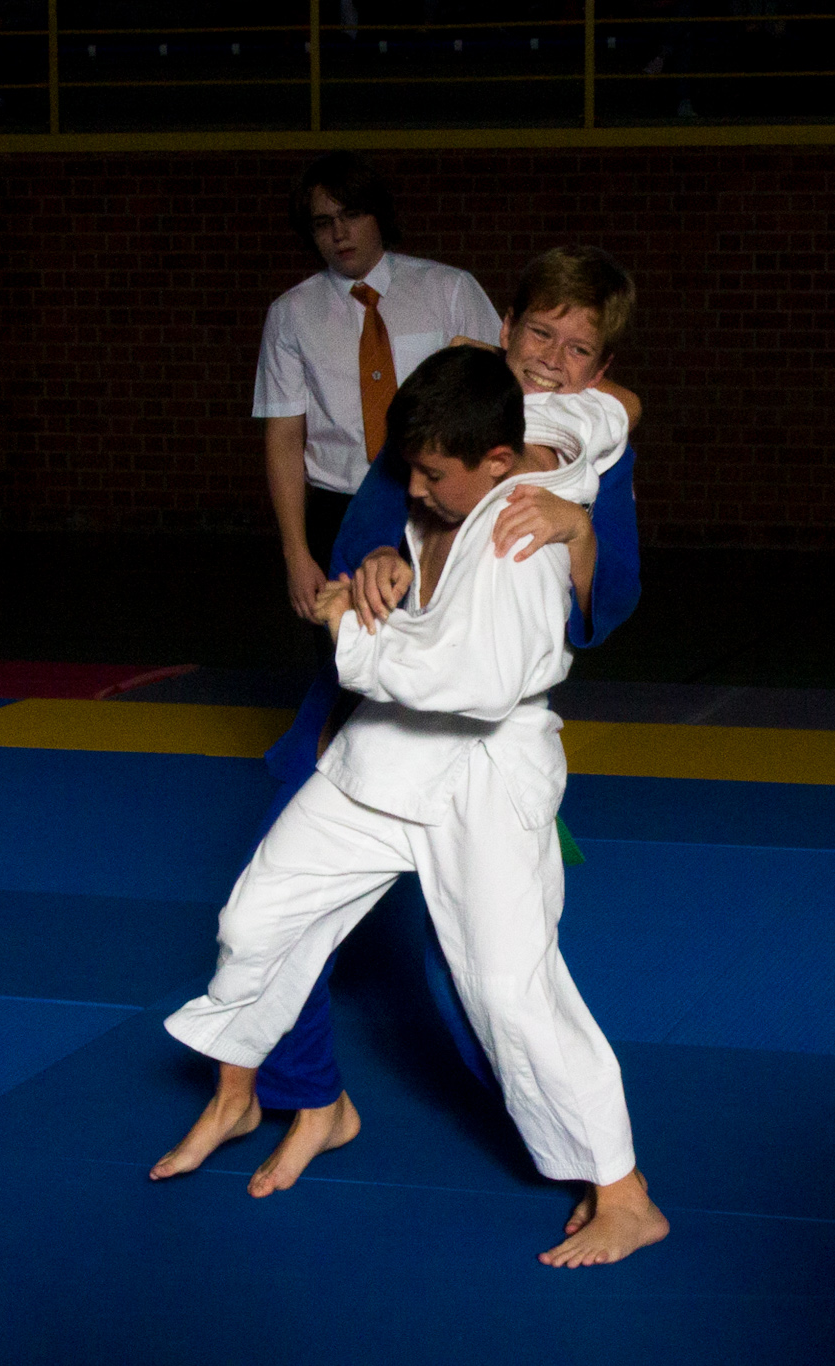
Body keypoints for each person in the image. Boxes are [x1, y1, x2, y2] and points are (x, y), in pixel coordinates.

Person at [155, 347, 669, 1268]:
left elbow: (476, 684)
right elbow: (606, 411)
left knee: (510, 993)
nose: (417, 488)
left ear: (498, 461)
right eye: (413, 469)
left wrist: (347, 629)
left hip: (485, 774)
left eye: (434, 474)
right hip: (386, 756)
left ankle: (626, 1196)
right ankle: (280, 1098)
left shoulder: (518, 536)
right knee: (258, 917)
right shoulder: (541, 430)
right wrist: (380, 565)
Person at [224, 246, 644, 1205]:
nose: (553, 360)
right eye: (539, 332)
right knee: (271, 909)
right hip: (371, 701)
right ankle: (306, 1096)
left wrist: (578, 530)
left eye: (579, 350)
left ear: (601, 368)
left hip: (481, 726)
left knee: (475, 977)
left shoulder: (591, 450)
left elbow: (608, 603)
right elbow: (372, 523)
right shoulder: (449, 403)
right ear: (504, 328)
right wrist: (378, 560)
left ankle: (572, 1144)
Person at [254, 151, 502, 622]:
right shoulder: (291, 315)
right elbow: (284, 436)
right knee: (347, 651)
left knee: (447, 640)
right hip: (339, 506)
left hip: (437, 501)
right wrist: (296, 552)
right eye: (323, 222)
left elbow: (503, 398)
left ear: (378, 215)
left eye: (351, 214)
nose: (339, 233)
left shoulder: (448, 289)